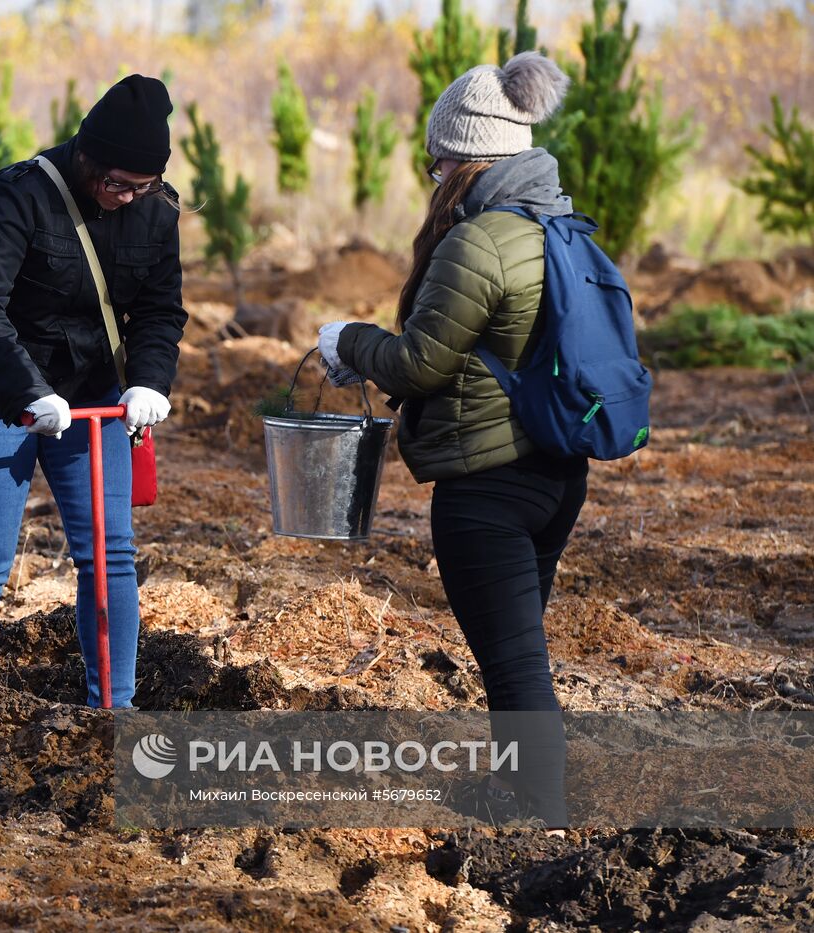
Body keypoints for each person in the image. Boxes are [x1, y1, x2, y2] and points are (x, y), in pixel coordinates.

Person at [318, 52, 581, 829]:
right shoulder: (559, 223)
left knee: (514, 663)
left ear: (466, 156)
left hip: (487, 487)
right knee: (519, 648)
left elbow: (419, 361)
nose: (432, 173)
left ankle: (538, 815)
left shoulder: (479, 240)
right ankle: (531, 800)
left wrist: (348, 340)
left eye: (437, 159)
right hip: (556, 476)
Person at [0, 74, 187, 709]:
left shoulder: (157, 211)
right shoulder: (18, 196)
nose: (125, 197)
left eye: (140, 185)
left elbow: (160, 310)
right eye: (114, 183)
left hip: (94, 398)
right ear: (87, 156)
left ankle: (114, 711)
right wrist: (28, 392)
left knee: (109, 556)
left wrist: (150, 381)